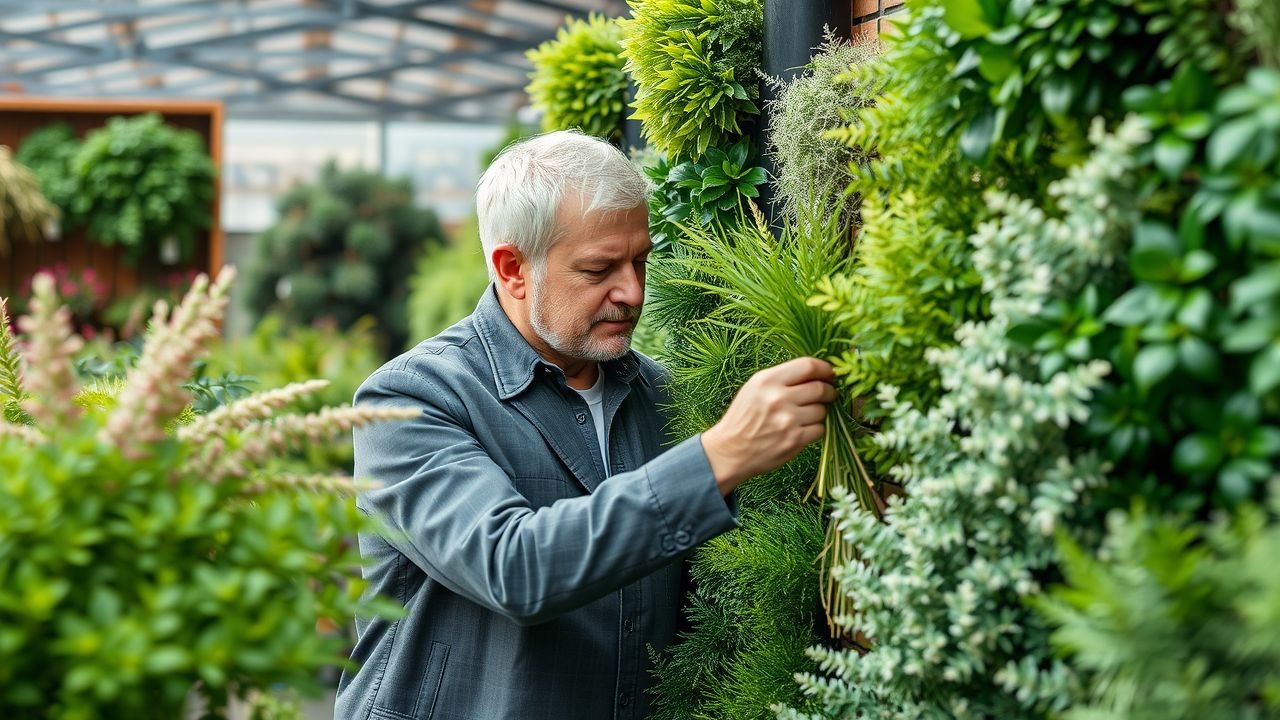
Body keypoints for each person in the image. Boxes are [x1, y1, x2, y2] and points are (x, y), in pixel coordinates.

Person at [336, 130, 835, 720]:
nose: (632, 290)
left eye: (640, 260)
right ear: (513, 268)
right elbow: (513, 567)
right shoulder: (412, 400)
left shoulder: (660, 395)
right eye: (599, 268)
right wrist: (719, 457)